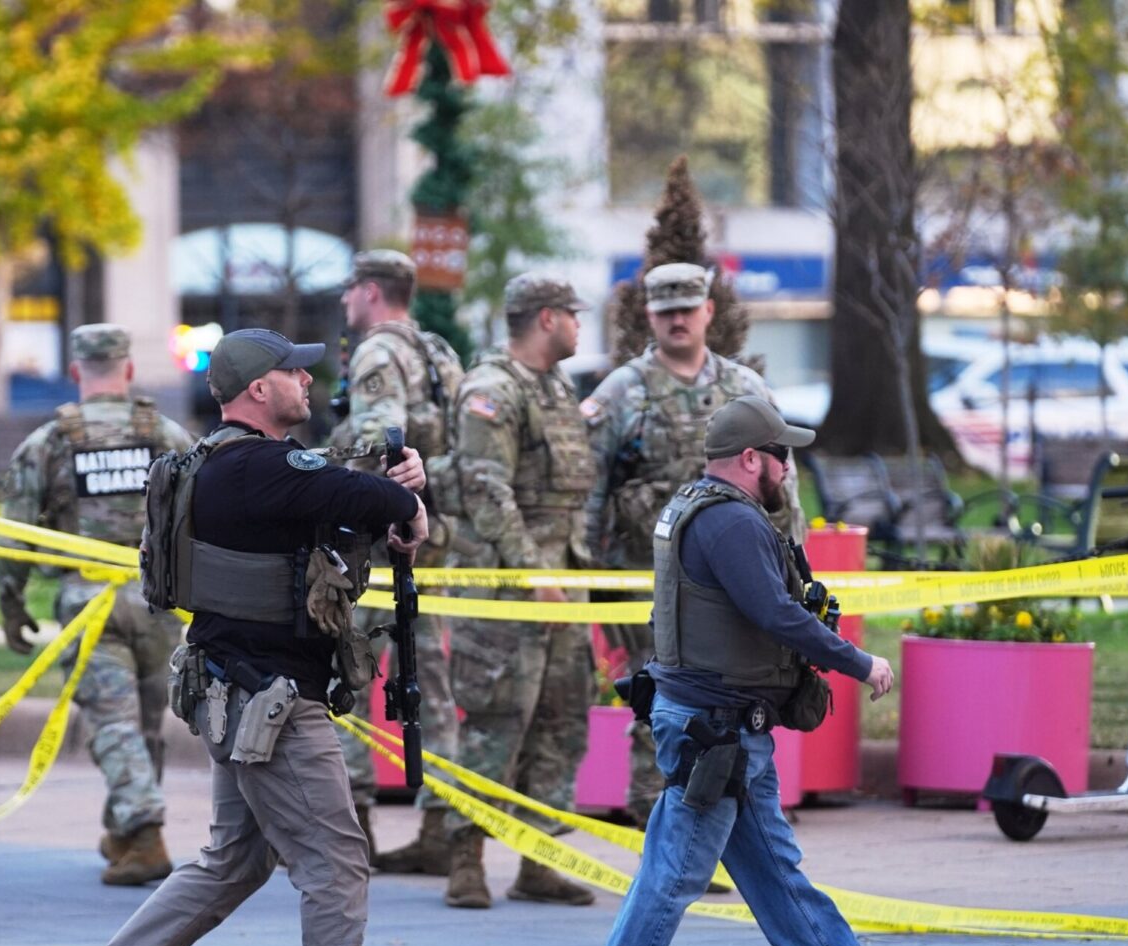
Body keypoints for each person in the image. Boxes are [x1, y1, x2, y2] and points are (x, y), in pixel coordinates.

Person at [49, 328, 427, 946]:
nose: (309, 382)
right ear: (261, 388)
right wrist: (410, 498)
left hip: (234, 692)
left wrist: (390, 493)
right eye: (295, 373)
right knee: (337, 865)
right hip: (275, 707)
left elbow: (334, 504)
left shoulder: (218, 466)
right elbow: (375, 502)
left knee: (234, 861)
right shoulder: (262, 471)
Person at [564, 396, 925, 946]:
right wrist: (860, 662)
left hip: (721, 728)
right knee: (673, 877)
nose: (789, 469)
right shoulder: (732, 522)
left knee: (772, 869)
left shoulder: (692, 507)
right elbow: (776, 613)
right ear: (751, 458)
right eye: (782, 456)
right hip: (716, 732)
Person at [580, 262, 801, 828]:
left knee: (730, 693)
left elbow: (783, 483)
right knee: (659, 690)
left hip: (732, 582)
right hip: (645, 575)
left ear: (708, 311)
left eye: (687, 308)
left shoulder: (744, 389)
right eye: (666, 310)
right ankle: (656, 812)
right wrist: (581, 574)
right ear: (649, 316)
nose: (678, 320)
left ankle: (723, 813)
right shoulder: (622, 392)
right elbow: (590, 490)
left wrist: (794, 566)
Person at [0, 323, 196, 886]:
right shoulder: (166, 434)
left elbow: (14, 532)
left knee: (113, 722)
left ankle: (146, 830)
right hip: (159, 601)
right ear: (130, 370)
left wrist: (11, 603)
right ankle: (127, 832)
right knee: (145, 723)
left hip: (90, 604)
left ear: (76, 371)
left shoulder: (51, 441)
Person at [440, 274, 598, 911]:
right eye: (572, 315)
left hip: (565, 583)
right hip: (509, 592)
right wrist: (534, 574)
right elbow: (485, 490)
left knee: (561, 721)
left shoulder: (554, 387)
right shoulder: (492, 389)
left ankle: (540, 860)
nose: (579, 327)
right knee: (495, 724)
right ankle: (464, 855)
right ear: (545, 319)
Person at [329, 249, 465, 874]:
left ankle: (351, 825)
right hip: (434, 538)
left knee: (346, 674)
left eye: (349, 289)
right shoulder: (440, 352)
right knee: (433, 685)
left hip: (381, 544)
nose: (343, 301)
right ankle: (441, 824)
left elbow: (378, 445)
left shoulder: (377, 354)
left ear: (371, 292)